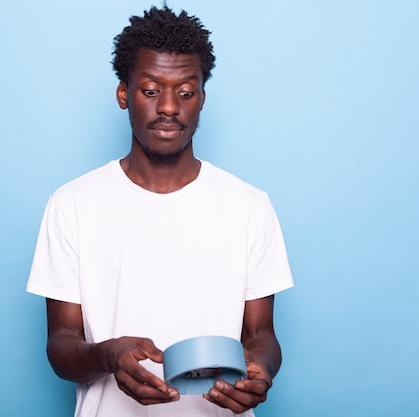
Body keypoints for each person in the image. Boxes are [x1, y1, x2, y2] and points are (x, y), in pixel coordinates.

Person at [26, 5, 293, 417]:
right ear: (123, 94)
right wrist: (108, 357)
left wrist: (262, 371)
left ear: (201, 98)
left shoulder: (249, 206)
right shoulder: (72, 205)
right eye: (151, 91)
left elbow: (261, 335)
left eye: (185, 92)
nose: (169, 107)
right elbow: (61, 345)